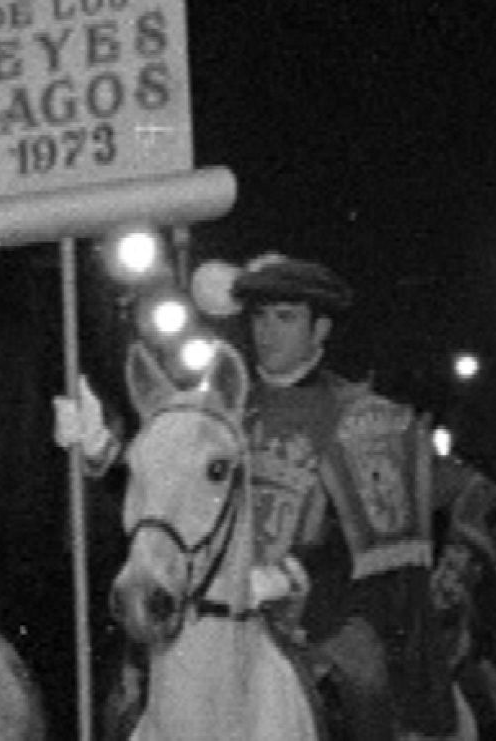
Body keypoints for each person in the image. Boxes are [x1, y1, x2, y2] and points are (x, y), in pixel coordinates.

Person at [61, 253, 446, 740]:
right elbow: (166, 500)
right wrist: (103, 453)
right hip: (206, 595)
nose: (267, 332)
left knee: (364, 682)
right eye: (260, 317)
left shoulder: (360, 417)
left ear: (320, 328)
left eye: (285, 318)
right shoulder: (216, 408)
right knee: (123, 690)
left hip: (322, 610)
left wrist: (290, 575)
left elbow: (380, 541)